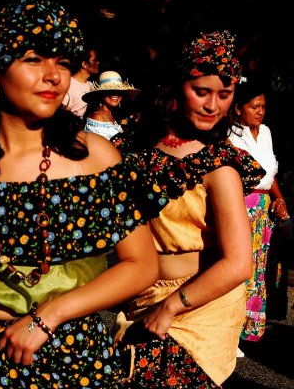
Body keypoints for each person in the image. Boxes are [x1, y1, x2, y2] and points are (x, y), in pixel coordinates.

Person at [0, 0, 187, 387]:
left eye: (63, 62)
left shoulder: (95, 158)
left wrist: (49, 316)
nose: (54, 76)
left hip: (72, 354)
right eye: (34, 59)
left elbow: (141, 265)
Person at [113, 30, 266, 388]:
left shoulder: (220, 166)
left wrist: (171, 306)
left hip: (201, 305)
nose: (213, 105)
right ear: (177, 89)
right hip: (144, 295)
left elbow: (239, 263)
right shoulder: (137, 148)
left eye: (224, 95)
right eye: (202, 91)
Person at [228, 75, 289, 353]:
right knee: (238, 265)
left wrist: (279, 198)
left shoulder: (264, 132)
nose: (260, 112)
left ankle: (246, 329)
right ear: (239, 107)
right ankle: (228, 329)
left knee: (258, 268)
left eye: (263, 106)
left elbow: (270, 173)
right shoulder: (230, 134)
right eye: (254, 106)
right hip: (241, 202)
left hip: (263, 206)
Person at [82, 70, 141, 140]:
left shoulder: (112, 115)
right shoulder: (97, 117)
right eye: (110, 91)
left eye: (119, 91)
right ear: (101, 94)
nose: (115, 94)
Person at [61, 45, 99, 119]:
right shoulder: (69, 84)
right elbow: (65, 113)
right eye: (94, 60)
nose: (98, 62)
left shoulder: (91, 86)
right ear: (84, 64)